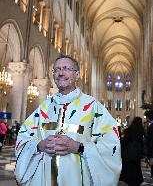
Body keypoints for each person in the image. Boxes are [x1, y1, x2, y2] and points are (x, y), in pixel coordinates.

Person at [15, 55, 122, 186]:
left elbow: (111, 145)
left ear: (77, 75)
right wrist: (39, 145)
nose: (60, 73)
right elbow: (23, 138)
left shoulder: (93, 107)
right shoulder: (44, 108)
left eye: (66, 68)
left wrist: (79, 147)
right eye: (56, 69)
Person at [120, 117, 144, 186]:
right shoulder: (140, 131)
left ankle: (128, 181)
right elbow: (142, 144)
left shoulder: (128, 130)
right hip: (136, 155)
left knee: (128, 170)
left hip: (128, 154)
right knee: (136, 169)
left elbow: (124, 142)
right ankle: (136, 182)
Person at [144, 109, 153, 179]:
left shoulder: (151, 127)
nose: (146, 119)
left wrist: (149, 155)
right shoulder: (150, 126)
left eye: (146, 117)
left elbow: (149, 141)